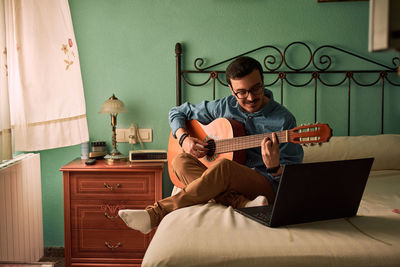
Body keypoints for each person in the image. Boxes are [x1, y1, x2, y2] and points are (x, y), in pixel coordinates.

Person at [118, 56, 303, 234]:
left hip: (264, 185)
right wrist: (184, 139)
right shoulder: (224, 107)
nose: (250, 97)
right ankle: (242, 203)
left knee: (224, 167)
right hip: (231, 184)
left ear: (263, 81)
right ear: (231, 89)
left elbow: (294, 181)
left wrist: (275, 168)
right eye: (241, 92)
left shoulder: (284, 120)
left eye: (256, 88)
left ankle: (155, 214)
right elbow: (177, 112)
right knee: (180, 162)